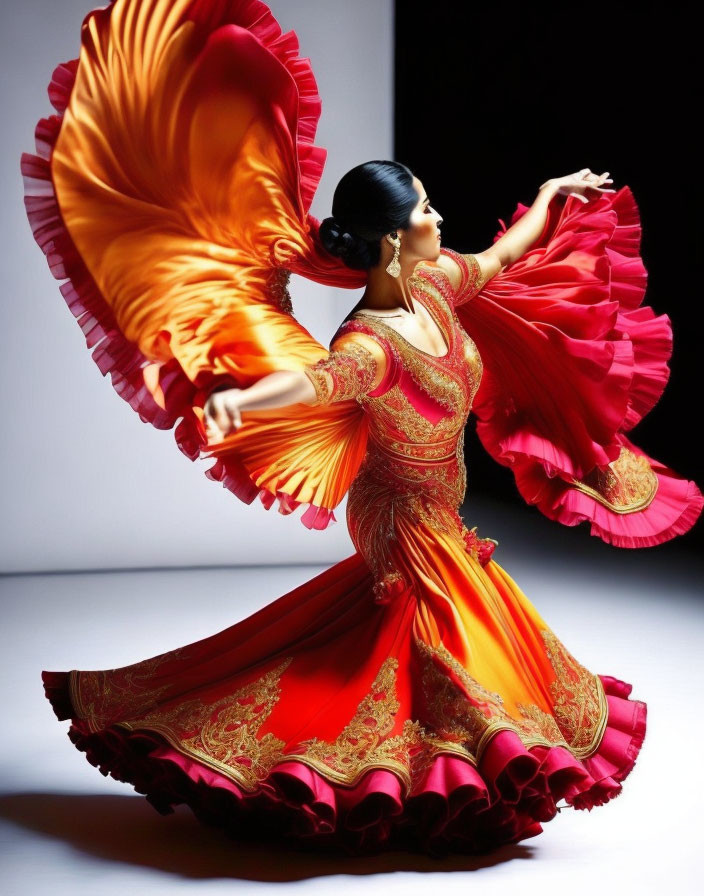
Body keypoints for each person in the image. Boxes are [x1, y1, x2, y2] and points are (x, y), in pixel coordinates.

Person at [24, 0, 701, 858]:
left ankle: (442, 771)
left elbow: (502, 257)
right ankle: (426, 770)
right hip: (397, 520)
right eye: (424, 210)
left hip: (442, 512)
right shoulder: (371, 343)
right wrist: (240, 404)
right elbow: (312, 383)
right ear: (389, 242)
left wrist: (550, 195)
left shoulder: (437, 287)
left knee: (420, 636)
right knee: (457, 632)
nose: (439, 218)